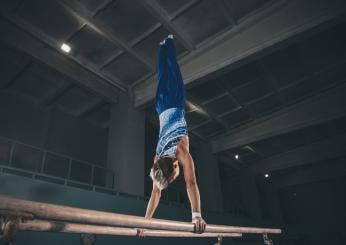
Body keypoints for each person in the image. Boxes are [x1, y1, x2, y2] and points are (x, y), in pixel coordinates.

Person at [144, 35, 206, 233]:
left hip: (174, 101)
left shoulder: (181, 152)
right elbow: (156, 193)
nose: (176, 178)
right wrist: (146, 222)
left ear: (174, 168)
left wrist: (196, 215)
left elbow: (191, 183)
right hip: (161, 107)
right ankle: (162, 45)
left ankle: (168, 41)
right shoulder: (157, 160)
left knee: (173, 69)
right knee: (162, 74)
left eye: (173, 178)